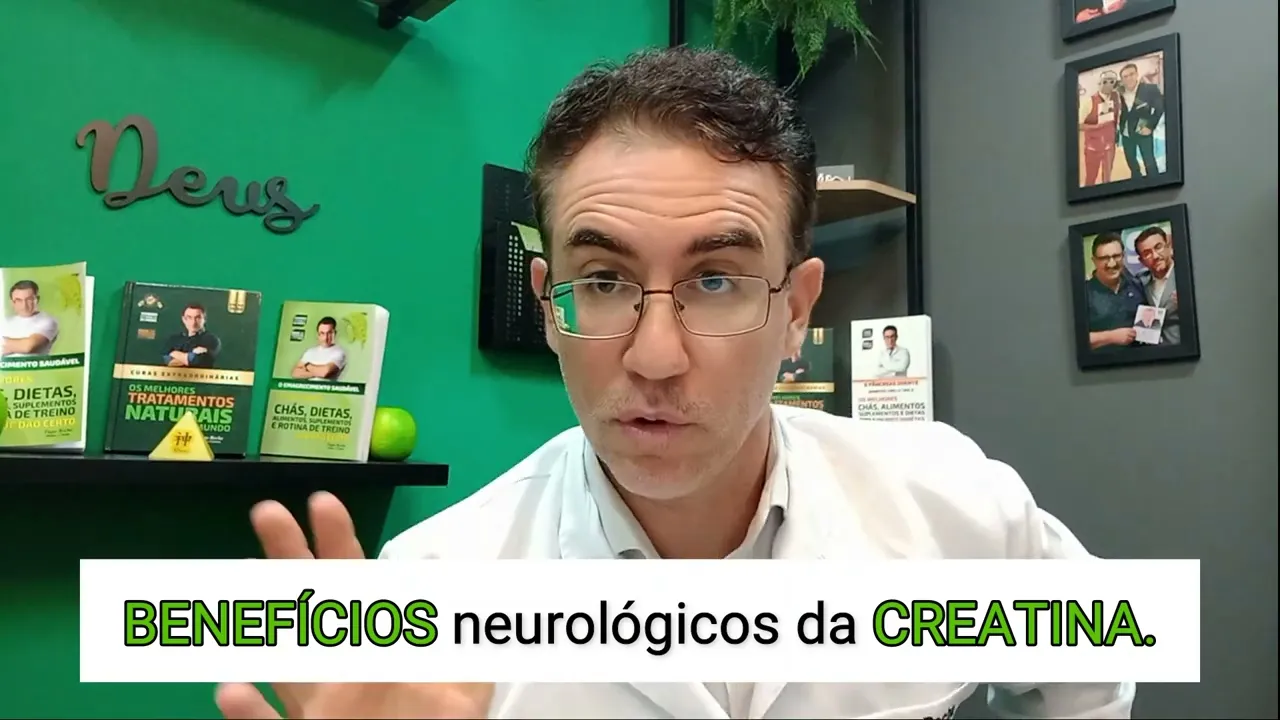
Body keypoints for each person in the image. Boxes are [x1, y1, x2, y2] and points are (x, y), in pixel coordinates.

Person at [216, 47, 1135, 720]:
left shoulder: (957, 505)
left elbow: (1093, 680)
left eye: (718, 280)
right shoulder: (432, 601)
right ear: (549, 305)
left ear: (796, 310)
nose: (655, 356)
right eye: (603, 281)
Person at [1085, 233, 1146, 353]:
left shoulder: (1137, 284)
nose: (1112, 264)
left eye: (1116, 256)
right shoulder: (1084, 293)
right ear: (1094, 261)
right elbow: (1073, 339)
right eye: (1104, 258)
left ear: (1123, 256)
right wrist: (1111, 337)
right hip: (1102, 363)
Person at [1116, 61, 1164, 179]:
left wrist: (1150, 126)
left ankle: (1155, 184)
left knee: (1149, 163)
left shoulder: (1150, 89)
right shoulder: (1119, 93)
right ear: (1122, 79)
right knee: (1132, 163)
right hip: (1126, 134)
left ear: (1137, 74)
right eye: (1125, 76)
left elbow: (1160, 108)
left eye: (1131, 74)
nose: (1129, 78)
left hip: (1143, 131)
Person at [1133, 225, 1179, 345]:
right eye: (1147, 253)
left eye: (1158, 247)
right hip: (1152, 351)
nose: (1155, 256)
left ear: (1168, 246)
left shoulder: (1187, 275)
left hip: (1185, 348)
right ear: (1141, 261)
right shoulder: (1140, 281)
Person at [1079, 70, 1121, 186]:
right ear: (1099, 83)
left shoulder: (1116, 97)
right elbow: (1079, 125)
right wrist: (1095, 127)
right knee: (1091, 178)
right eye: (1105, 81)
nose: (1108, 84)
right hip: (1093, 148)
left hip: (1109, 147)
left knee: (1107, 178)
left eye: (1111, 81)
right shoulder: (1089, 101)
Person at [1, 280, 59, 358]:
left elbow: (28, 347)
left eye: (29, 299)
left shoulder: (48, 321)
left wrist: (7, 345)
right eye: (18, 300)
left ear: (37, 299)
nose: (24, 305)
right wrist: (17, 346)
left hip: (34, 365)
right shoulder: (4, 322)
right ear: (12, 303)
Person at [163, 302, 221, 369]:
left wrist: (173, 353)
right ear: (184, 319)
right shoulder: (173, 339)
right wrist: (191, 355)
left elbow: (197, 361)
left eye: (198, 318)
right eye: (189, 317)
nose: (193, 322)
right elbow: (168, 361)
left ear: (204, 319)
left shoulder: (212, 340)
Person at [291, 316, 346, 381]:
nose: (325, 338)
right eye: (322, 333)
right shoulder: (310, 352)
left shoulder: (339, 352)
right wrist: (316, 373)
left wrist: (306, 365)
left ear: (335, 333)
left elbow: (324, 372)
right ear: (318, 335)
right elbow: (295, 373)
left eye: (329, 333)